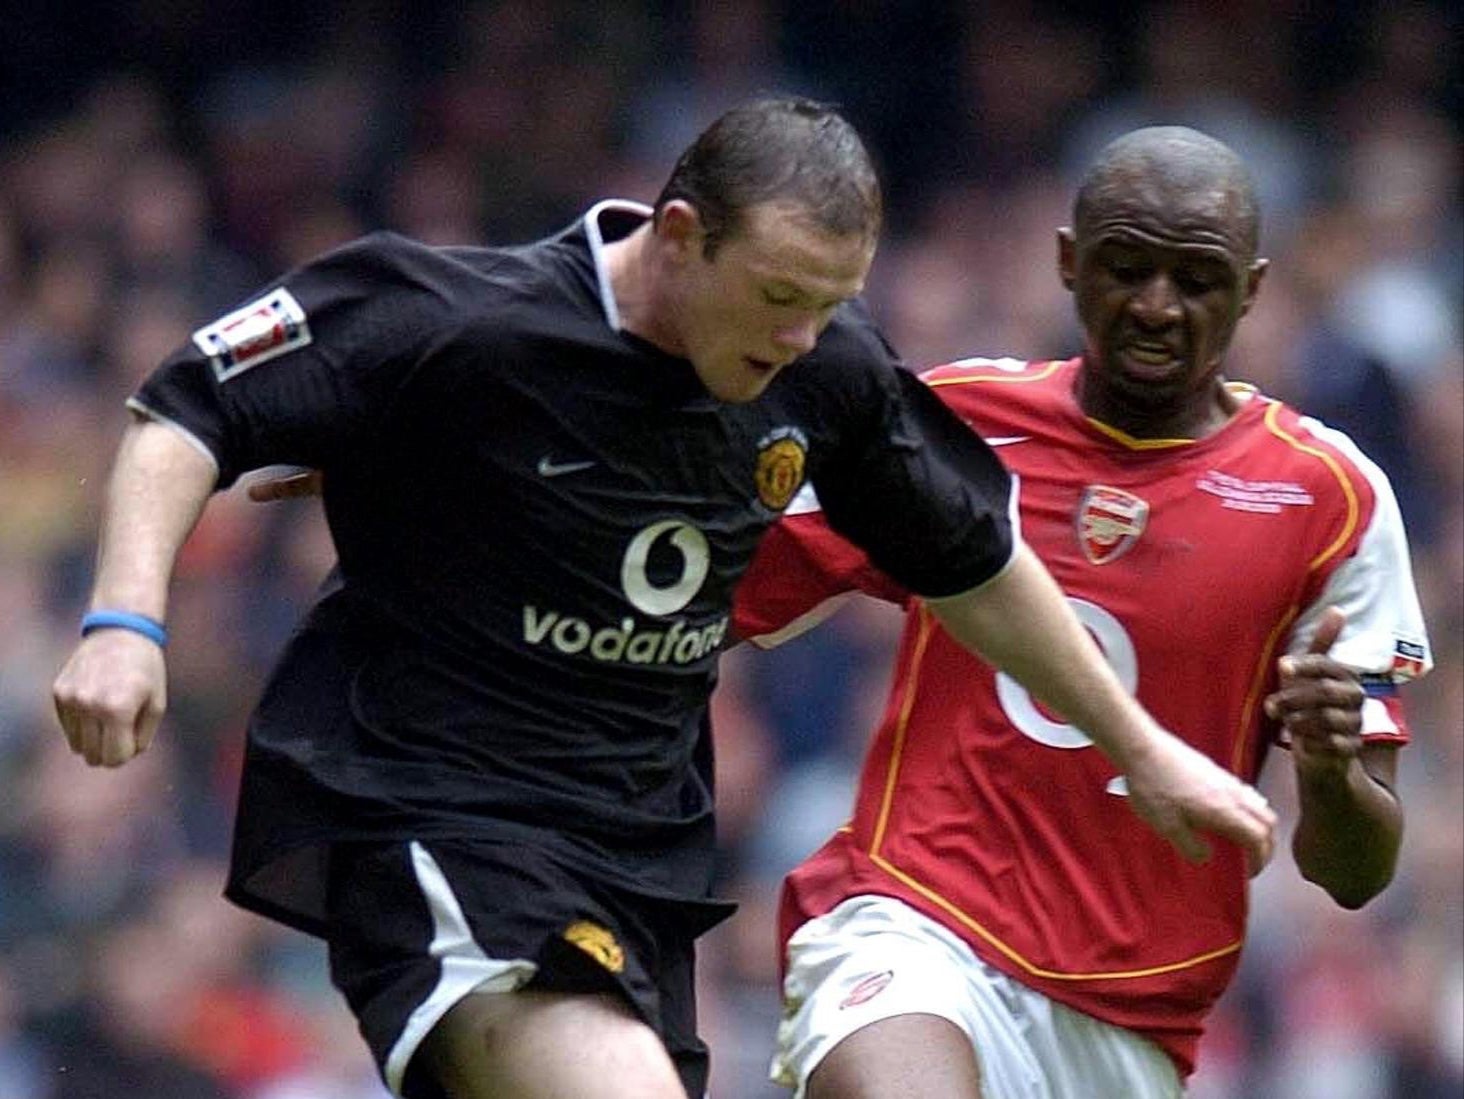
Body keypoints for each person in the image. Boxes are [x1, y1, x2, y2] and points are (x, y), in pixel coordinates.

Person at [51, 100, 1274, 1099]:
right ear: (680, 234)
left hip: (636, 859)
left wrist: (1143, 749)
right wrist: (124, 621)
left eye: (831, 302)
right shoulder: (458, 323)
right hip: (435, 810)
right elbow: (192, 405)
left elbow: (978, 566)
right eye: (780, 295)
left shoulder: (823, 374)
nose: (802, 336)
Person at [731, 125, 1434, 1099]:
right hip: (914, 917)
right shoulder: (955, 422)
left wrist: (1324, 767)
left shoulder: (1334, 501)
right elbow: (716, 594)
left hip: (1129, 1009)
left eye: (1196, 279)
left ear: (1254, 289)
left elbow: (1354, 870)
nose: (1156, 306)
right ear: (1068, 261)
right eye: (1126, 266)